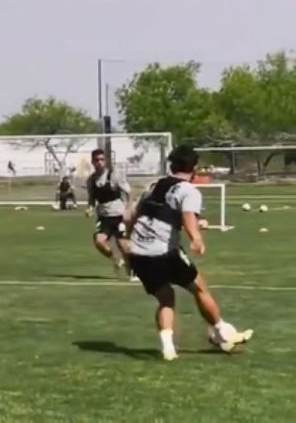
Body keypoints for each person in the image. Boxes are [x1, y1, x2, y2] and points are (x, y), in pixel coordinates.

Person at [125, 145, 253, 361]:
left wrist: (129, 243)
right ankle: (221, 331)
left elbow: (130, 215)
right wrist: (196, 237)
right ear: (194, 168)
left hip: (139, 252)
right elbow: (188, 216)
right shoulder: (188, 190)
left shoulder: (154, 185)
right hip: (163, 252)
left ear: (171, 164)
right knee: (199, 288)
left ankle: (168, 347)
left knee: (166, 298)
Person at [85, 149, 135, 280]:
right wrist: (90, 208)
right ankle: (116, 258)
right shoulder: (91, 180)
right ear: (92, 162)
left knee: (123, 245)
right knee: (99, 241)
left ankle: (132, 272)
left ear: (105, 161)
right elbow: (91, 198)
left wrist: (128, 210)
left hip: (119, 215)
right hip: (104, 217)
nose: (99, 162)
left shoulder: (114, 176)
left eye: (102, 159)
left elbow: (130, 193)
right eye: (97, 160)